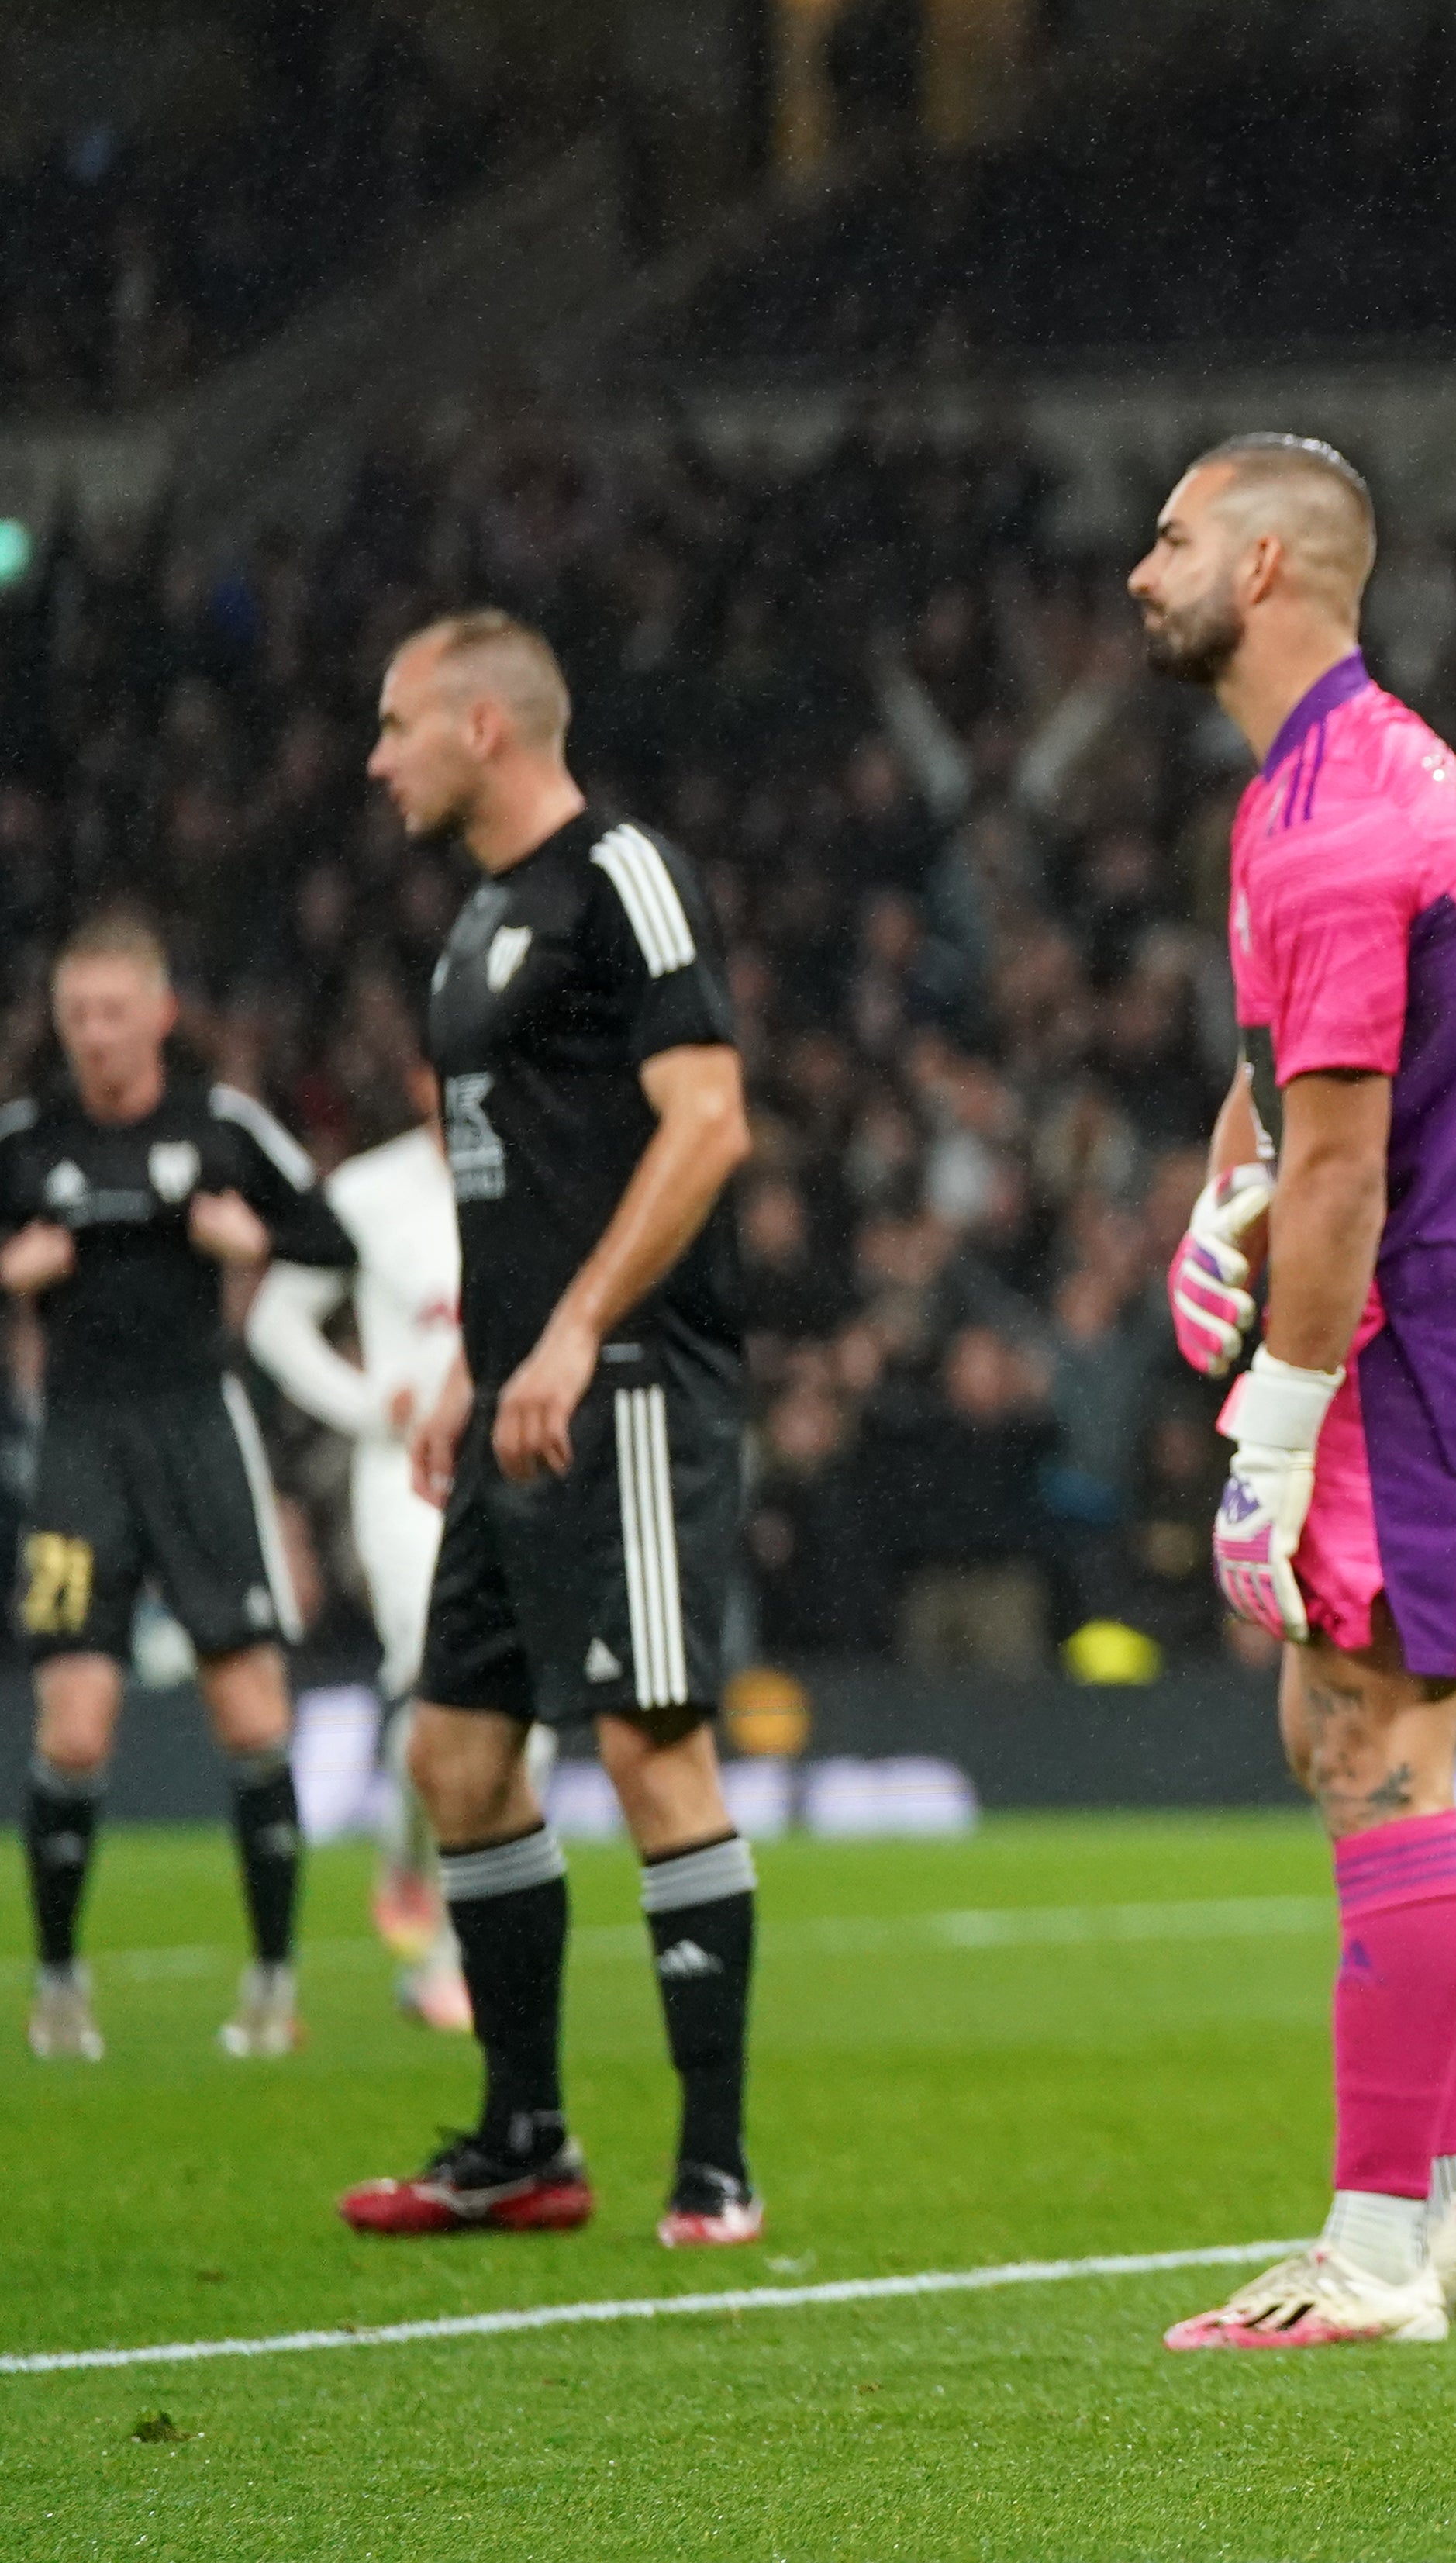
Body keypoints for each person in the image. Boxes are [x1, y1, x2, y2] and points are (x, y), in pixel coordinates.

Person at [1127, 434, 1456, 2350]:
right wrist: (1220, 1181)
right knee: (1371, 1747)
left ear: (1259, 565)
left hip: (1424, 1349)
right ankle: (1450, 2210)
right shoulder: (1353, 771)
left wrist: (1270, 1425)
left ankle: (1378, 2249)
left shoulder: (1327, 821)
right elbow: (1317, 1092)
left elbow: (1349, 1168)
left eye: (1166, 538)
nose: (1136, 571)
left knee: (1363, 1752)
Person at [336, 610, 764, 2249]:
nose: (377, 758)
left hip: (633, 1383)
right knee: (455, 1753)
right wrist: (476, 1349)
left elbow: (708, 1118)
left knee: (654, 1748)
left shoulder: (619, 878)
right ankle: (524, 2139)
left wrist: (578, 1326)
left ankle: (713, 2165)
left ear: (486, 727)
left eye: (397, 724)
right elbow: (506, 1167)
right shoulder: (476, 921)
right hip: (516, 1390)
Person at [6, 912, 353, 2061]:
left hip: (202, 1434)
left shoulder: (220, 1124)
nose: (94, 1037)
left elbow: (334, 1238)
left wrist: (250, 1238)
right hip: (82, 1447)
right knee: (74, 1727)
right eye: (76, 1018)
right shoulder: (28, 1138)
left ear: (159, 1014)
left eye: (113, 1013)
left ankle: (272, 1981)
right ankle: (58, 1986)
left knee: (254, 1715)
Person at [246, 1059, 493, 2032]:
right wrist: (367, 1403)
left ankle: (412, 1864)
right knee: (444, 1678)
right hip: (407, 1479)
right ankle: (434, 1947)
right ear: (425, 1079)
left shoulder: (536, 1174)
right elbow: (274, 1320)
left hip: (519, 1467)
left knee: (524, 1716)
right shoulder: (366, 1192)